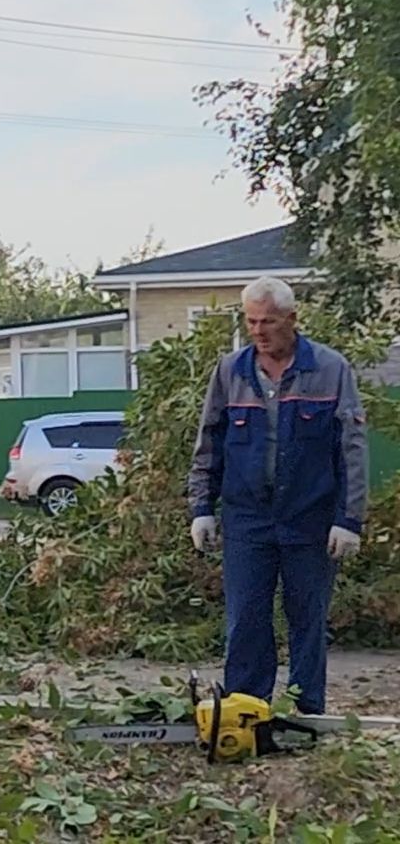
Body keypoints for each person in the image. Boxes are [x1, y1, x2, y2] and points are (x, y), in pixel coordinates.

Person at [187, 276, 367, 715]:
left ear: (292, 319)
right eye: (251, 322)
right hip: (247, 518)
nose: (259, 331)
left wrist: (349, 520)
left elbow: (352, 449)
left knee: (307, 620)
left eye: (268, 321)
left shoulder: (330, 369)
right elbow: (209, 441)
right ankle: (247, 714)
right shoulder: (231, 372)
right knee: (246, 618)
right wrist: (201, 508)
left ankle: (306, 715)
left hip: (310, 517)